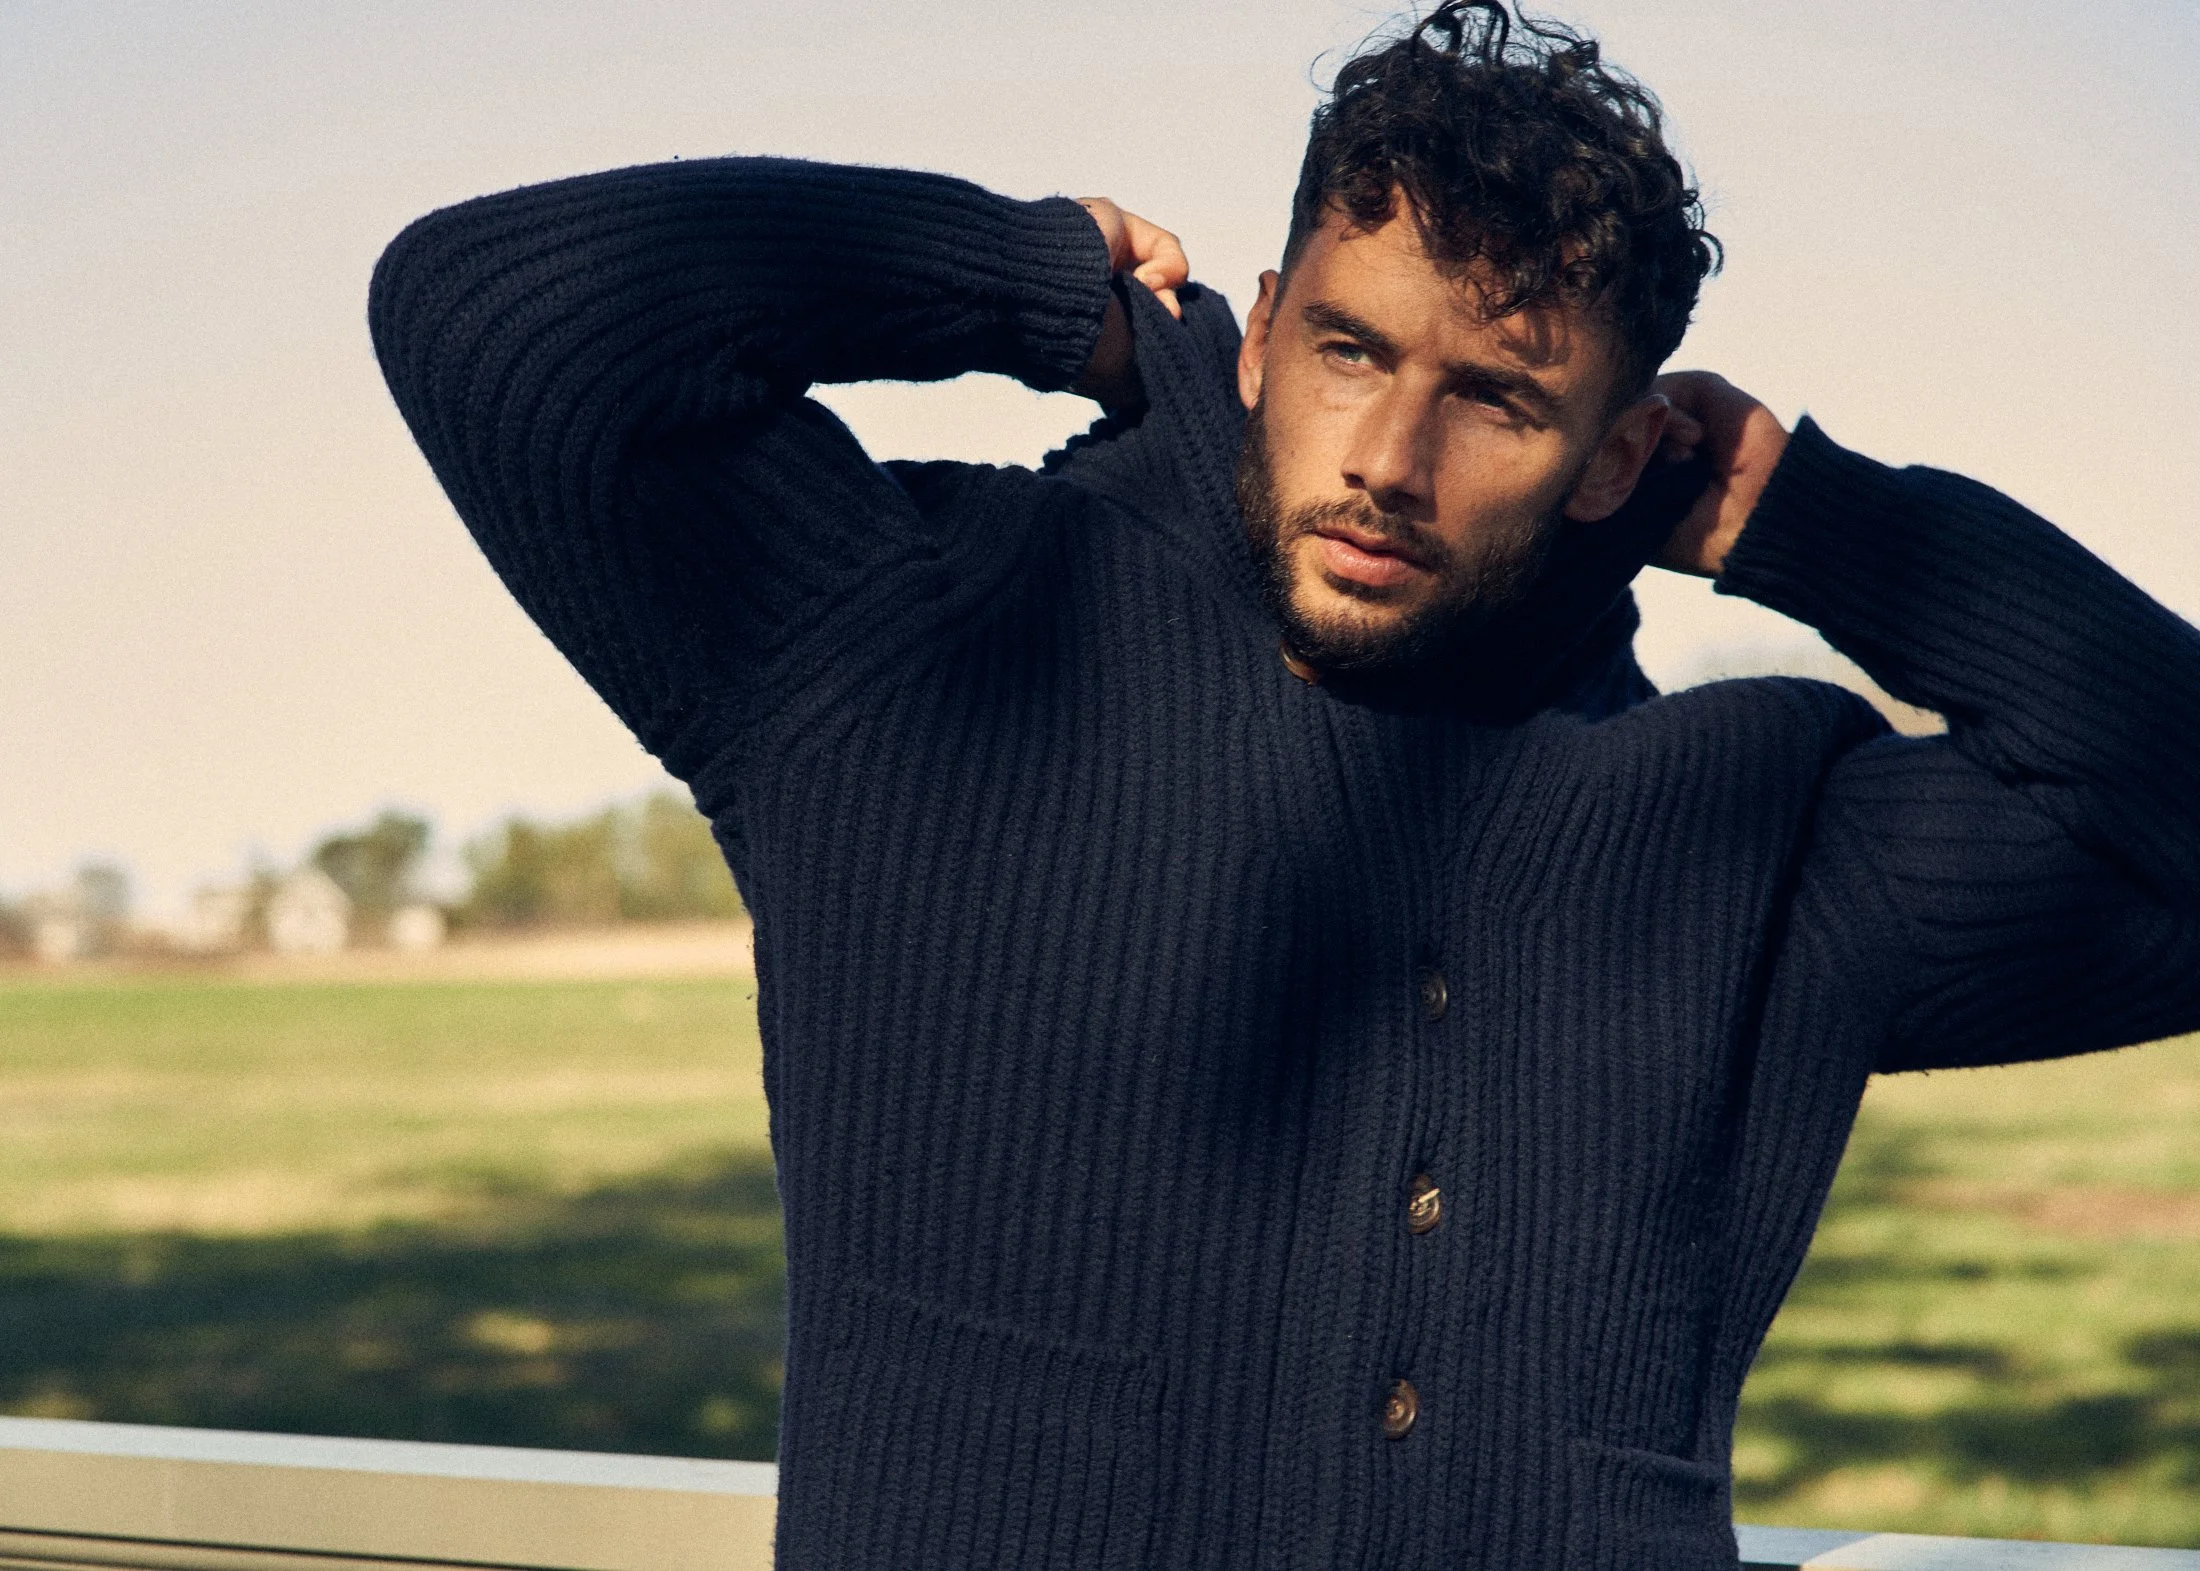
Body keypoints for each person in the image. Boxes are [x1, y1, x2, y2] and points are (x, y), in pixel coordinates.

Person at [368, 3, 2200, 1565]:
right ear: (1255, 337)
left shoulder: (1745, 827)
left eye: (1495, 397)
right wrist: (1018, 282)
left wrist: (1830, 526)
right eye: (1347, 351)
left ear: (1616, 455)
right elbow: (493, 323)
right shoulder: (916, 639)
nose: (1388, 460)